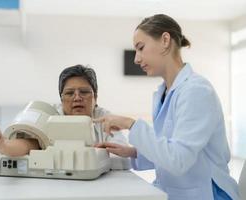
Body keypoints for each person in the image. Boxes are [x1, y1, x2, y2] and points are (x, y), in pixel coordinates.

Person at [94, 14, 240, 200]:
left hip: (207, 194)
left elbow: (178, 160)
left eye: (141, 48)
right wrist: (134, 152)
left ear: (165, 40)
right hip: (174, 191)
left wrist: (131, 124)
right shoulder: (164, 93)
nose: (136, 59)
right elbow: (168, 151)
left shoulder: (196, 91)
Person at [0, 65, 127, 158]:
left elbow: (123, 155)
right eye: (69, 93)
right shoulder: (50, 115)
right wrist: (1, 145)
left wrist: (104, 153)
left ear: (95, 97)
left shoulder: (106, 118)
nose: (77, 98)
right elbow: (28, 144)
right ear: (61, 99)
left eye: (84, 92)